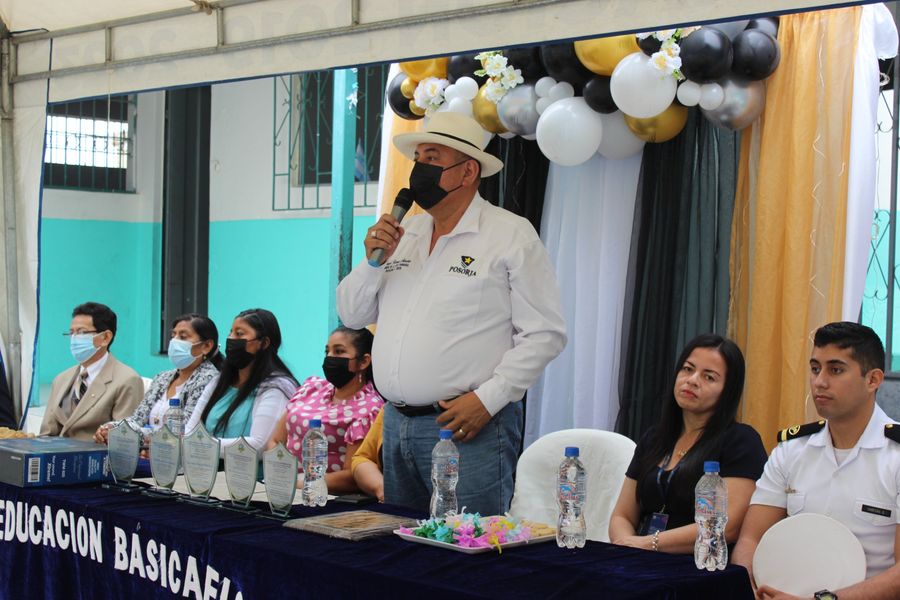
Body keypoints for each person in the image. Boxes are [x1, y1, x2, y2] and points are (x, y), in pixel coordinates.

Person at [337, 111, 567, 515]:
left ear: (468, 172)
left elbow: (545, 333)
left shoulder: (509, 234)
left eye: (432, 158)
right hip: (395, 424)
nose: (419, 169)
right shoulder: (405, 235)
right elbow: (352, 315)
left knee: (467, 545)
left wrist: (488, 400)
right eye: (418, 158)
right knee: (398, 544)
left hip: (466, 428)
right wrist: (372, 261)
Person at [732, 322, 900, 600]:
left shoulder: (895, 456)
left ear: (873, 380)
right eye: (814, 368)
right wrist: (750, 584)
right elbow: (751, 539)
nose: (819, 381)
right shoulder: (792, 450)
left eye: (836, 370)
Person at [608, 334, 767, 553]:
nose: (692, 380)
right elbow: (622, 515)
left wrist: (648, 544)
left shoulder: (740, 441)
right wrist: (626, 546)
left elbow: (728, 526)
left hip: (698, 563)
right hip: (640, 558)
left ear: (727, 391)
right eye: (687, 369)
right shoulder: (654, 438)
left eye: (709, 377)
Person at [267, 326, 382, 494]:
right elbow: (276, 440)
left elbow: (352, 475)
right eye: (327, 351)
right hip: (283, 487)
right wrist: (280, 474)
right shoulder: (311, 388)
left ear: (364, 361)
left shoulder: (368, 408)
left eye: (339, 351)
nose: (329, 357)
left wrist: (301, 484)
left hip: (324, 495)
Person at [93, 313, 222, 444]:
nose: (174, 341)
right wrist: (111, 428)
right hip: (147, 451)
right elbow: (137, 419)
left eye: (183, 337)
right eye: (173, 335)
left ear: (206, 346)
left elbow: (182, 433)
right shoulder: (163, 378)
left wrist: (129, 435)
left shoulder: (209, 379)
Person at [186, 308, 297, 455]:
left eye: (239, 334)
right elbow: (190, 430)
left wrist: (203, 446)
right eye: (230, 333)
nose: (231, 339)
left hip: (248, 469)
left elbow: (259, 445)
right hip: (207, 465)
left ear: (264, 343)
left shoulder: (277, 387)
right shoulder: (219, 381)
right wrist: (195, 444)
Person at [40, 302, 143, 441]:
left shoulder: (127, 380)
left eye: (82, 332)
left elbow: (124, 440)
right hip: (56, 453)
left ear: (105, 337)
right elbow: (46, 433)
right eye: (71, 333)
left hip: (95, 453)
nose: (74, 339)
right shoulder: (61, 379)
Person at [351, 409, 385, 501]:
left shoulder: (368, 410)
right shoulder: (391, 408)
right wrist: (380, 488)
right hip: (391, 502)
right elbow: (362, 459)